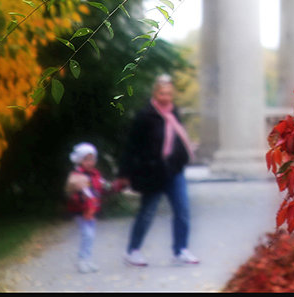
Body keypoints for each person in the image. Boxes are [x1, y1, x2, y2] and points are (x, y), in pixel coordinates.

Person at [118, 74, 200, 266]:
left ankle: (181, 249)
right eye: (162, 94)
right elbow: (132, 146)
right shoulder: (145, 116)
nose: (166, 98)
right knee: (147, 212)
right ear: (155, 94)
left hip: (174, 171)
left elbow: (178, 140)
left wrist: (181, 158)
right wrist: (124, 174)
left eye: (169, 94)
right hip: (152, 172)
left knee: (183, 210)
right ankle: (133, 250)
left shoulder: (174, 113)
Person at [65, 142, 106, 273]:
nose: (90, 162)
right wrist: (81, 202)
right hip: (81, 210)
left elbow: (101, 186)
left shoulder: (95, 174)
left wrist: (110, 186)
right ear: (80, 160)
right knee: (87, 234)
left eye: (92, 159)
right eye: (86, 159)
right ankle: (82, 260)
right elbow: (73, 193)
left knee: (91, 235)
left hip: (92, 209)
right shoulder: (77, 175)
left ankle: (87, 259)